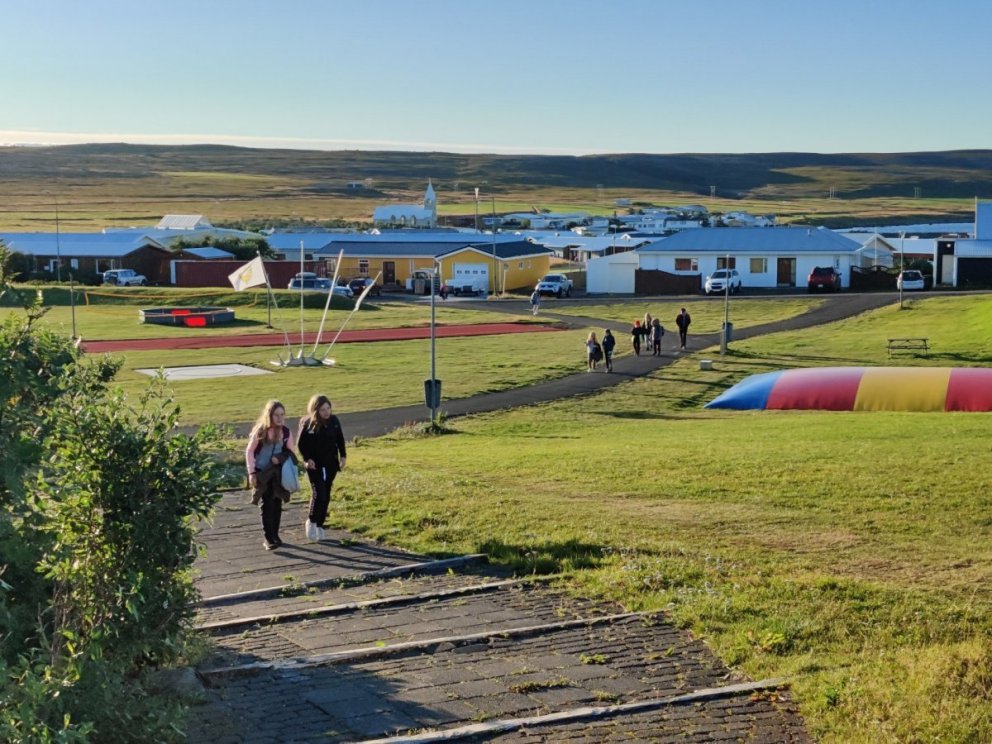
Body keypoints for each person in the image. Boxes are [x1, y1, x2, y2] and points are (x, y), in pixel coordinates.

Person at [246, 400, 297, 550]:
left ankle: (275, 534)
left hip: (279, 474)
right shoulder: (261, 431)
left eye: (282, 414)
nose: (280, 418)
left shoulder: (286, 432)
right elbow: (249, 451)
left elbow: (291, 453)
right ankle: (268, 537)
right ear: (269, 415)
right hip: (263, 473)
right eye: (276, 415)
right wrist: (252, 472)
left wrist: (279, 458)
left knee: (277, 503)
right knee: (267, 504)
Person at [296, 394, 347, 542]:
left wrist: (343, 456)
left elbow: (340, 439)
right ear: (315, 410)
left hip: (331, 463)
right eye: (322, 409)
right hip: (314, 464)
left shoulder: (334, 421)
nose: (326, 412)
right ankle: (311, 521)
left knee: (327, 492)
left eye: (328, 408)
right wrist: (307, 459)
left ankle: (320, 524)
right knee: (319, 493)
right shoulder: (308, 423)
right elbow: (301, 444)